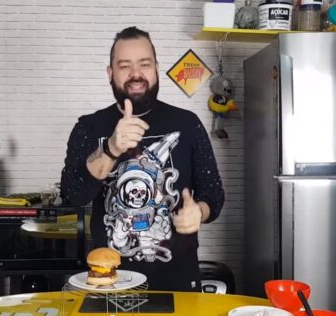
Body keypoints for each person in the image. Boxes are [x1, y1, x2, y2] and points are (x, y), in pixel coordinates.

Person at [61, 26, 224, 292]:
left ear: (156, 68)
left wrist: (200, 212)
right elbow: (73, 194)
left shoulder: (188, 124)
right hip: (110, 285)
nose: (136, 74)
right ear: (110, 73)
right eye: (124, 66)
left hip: (178, 284)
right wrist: (111, 149)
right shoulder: (89, 127)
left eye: (144, 64)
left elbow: (213, 194)